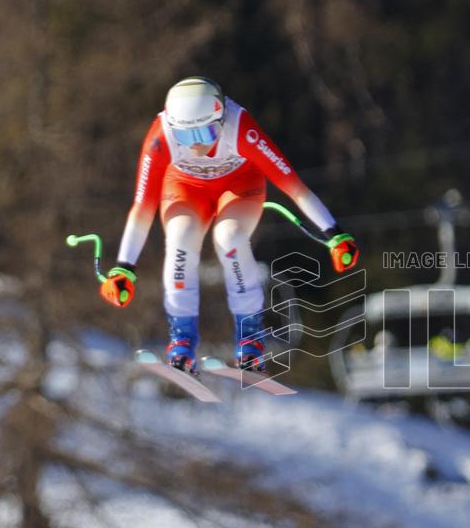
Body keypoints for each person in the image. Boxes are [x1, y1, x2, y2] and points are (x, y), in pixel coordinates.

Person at [102, 76, 358, 374]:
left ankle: (250, 335)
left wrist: (334, 233)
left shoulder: (241, 128)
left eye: (206, 131)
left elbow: (293, 186)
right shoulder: (161, 136)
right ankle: (182, 338)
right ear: (173, 128)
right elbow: (142, 206)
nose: (196, 143)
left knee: (230, 237)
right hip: (185, 188)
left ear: (221, 119)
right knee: (180, 236)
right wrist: (124, 267)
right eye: (186, 136)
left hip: (239, 186)